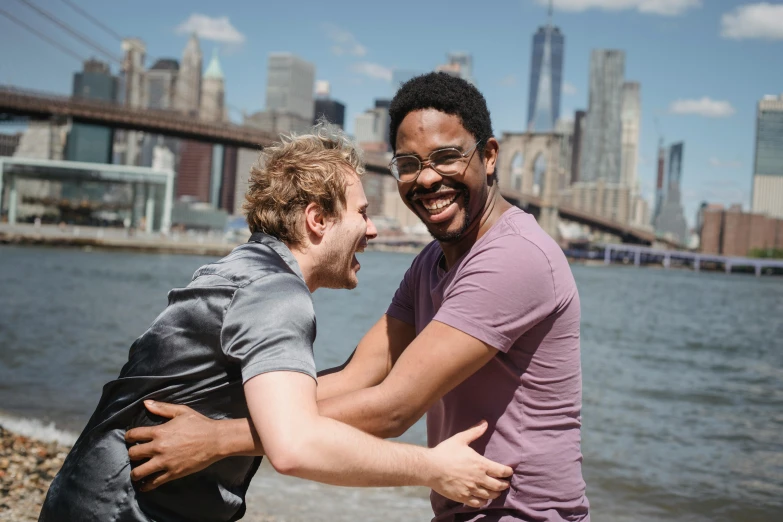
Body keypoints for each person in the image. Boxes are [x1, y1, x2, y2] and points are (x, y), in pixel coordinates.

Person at [128, 73, 589, 521]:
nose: (427, 180)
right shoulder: (431, 262)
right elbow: (357, 376)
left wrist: (219, 437)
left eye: (446, 157)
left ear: (489, 156)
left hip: (525, 512)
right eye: (409, 164)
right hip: (462, 508)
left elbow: (393, 408)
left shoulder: (513, 258)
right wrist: (223, 406)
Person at [38, 123, 513, 522]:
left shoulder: (246, 269)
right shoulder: (276, 293)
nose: (372, 230)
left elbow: (334, 387)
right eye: (362, 214)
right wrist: (433, 468)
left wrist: (219, 438)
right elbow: (296, 445)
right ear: (317, 219)